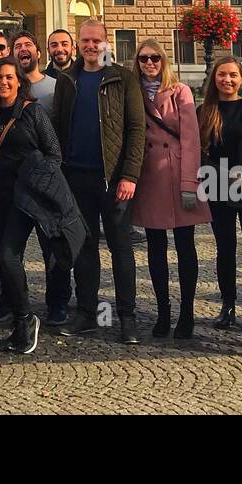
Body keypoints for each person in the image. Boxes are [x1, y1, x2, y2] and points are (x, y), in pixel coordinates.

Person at [54, 19, 145, 344]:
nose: (91, 46)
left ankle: (127, 318)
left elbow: (137, 129)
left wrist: (130, 175)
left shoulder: (123, 78)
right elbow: (59, 127)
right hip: (77, 176)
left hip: (114, 178)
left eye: (96, 41)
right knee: (84, 248)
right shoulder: (68, 79)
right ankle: (87, 313)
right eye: (85, 41)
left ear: (106, 43)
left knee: (121, 249)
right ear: (79, 44)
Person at [0, 57, 70, 354]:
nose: (3, 82)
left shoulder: (33, 112)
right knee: (7, 257)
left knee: (53, 254)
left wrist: (37, 180)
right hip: (3, 199)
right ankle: (23, 316)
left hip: (34, 197)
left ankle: (56, 306)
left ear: (20, 81)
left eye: (9, 77)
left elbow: (54, 154)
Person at [130, 38, 210, 338]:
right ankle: (163, 312)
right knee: (155, 248)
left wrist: (190, 184)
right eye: (143, 59)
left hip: (178, 175)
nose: (149, 63)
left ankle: (186, 313)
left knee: (186, 247)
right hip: (150, 176)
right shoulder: (134, 92)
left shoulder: (180, 91)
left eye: (155, 58)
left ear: (164, 61)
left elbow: (192, 140)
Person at [200, 55, 242, 334]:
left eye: (232, 75)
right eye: (221, 74)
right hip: (217, 184)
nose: (226, 80)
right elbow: (199, 151)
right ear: (214, 78)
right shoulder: (205, 111)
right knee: (225, 248)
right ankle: (227, 305)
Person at [14, 30, 74, 325]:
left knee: (54, 245)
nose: (23, 50)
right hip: (16, 182)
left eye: (28, 45)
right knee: (12, 248)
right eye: (17, 47)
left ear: (39, 53)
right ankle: (15, 302)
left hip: (49, 180)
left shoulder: (55, 87)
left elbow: (64, 132)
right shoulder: (7, 88)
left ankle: (58, 302)